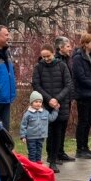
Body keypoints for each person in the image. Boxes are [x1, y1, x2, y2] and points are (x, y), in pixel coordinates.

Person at [32, 44, 72, 173]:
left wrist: (57, 99)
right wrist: (49, 99)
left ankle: (54, 158)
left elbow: (68, 84)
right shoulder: (39, 67)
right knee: (48, 132)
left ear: (53, 53)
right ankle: (50, 157)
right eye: (43, 57)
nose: (46, 59)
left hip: (61, 104)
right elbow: (36, 85)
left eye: (48, 56)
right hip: (46, 103)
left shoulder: (62, 66)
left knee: (58, 132)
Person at [71, 33, 91, 159]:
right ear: (85, 44)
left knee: (88, 121)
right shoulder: (78, 58)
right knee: (83, 121)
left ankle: (86, 147)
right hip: (83, 94)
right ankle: (80, 149)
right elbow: (81, 77)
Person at [53, 37, 76, 163]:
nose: (70, 48)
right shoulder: (56, 61)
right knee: (56, 127)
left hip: (67, 98)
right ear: (60, 48)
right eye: (68, 46)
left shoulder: (67, 60)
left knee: (63, 126)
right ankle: (54, 154)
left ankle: (61, 152)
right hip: (59, 98)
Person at [20, 91, 59, 163]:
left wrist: (56, 110)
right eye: (36, 102)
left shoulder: (45, 112)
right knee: (32, 152)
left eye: (40, 102)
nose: (38, 104)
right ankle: (32, 165)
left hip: (41, 137)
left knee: (39, 151)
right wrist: (23, 136)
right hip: (31, 137)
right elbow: (23, 125)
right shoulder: (28, 114)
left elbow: (51, 118)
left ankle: (38, 164)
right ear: (31, 103)